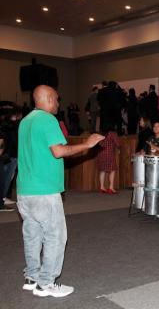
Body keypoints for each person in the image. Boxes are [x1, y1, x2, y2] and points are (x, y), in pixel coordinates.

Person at [16, 85, 104, 297]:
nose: (57, 103)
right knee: (56, 236)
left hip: (24, 190)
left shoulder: (25, 121)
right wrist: (87, 144)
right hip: (44, 190)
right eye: (55, 99)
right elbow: (59, 151)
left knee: (32, 234)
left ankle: (32, 276)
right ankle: (46, 283)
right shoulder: (47, 120)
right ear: (46, 98)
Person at [97, 127, 120, 194]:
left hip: (101, 153)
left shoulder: (100, 133)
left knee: (102, 170)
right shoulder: (112, 133)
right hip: (109, 153)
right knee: (112, 170)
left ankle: (102, 187)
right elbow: (117, 143)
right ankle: (111, 187)